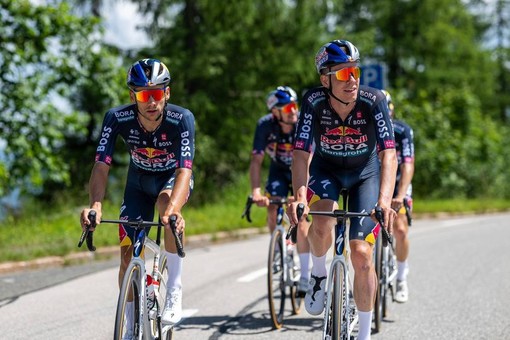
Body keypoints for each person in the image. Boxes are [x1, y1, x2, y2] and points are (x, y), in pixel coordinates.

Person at [286, 40, 398, 340]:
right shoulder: (313, 102)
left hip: (366, 174)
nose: (352, 79)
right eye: (343, 73)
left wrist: (385, 201)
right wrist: (299, 195)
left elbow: (389, 153)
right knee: (322, 217)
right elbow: (300, 152)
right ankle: (320, 274)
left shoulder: (373, 101)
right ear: (326, 79)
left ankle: (362, 334)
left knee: (361, 254)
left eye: (355, 71)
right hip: (327, 171)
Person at [79, 58, 195, 330]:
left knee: (167, 210)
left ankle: (174, 290)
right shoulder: (117, 117)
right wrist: (95, 205)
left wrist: (175, 210)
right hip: (138, 184)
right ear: (133, 96)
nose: (151, 102)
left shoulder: (182, 119)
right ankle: (130, 325)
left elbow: (185, 170)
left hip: (171, 180)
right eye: (144, 95)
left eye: (157, 94)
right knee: (127, 256)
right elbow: (101, 164)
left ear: (167, 93)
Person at [249, 86, 311, 294]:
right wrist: (256, 191)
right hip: (278, 170)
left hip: (302, 170)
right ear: (275, 112)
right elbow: (256, 160)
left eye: (295, 105)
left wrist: (300, 195)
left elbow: (310, 160)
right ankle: (278, 248)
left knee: (300, 220)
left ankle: (304, 275)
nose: (294, 111)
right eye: (288, 107)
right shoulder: (265, 125)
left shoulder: (303, 122)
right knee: (272, 206)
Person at [382, 89, 415, 303]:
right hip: (378, 183)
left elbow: (408, 164)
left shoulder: (402, 130)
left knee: (401, 229)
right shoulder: (365, 127)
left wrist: (401, 194)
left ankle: (402, 276)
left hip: (398, 185)